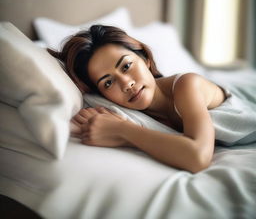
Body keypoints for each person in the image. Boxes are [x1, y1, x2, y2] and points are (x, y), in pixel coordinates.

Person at [47, 25, 231, 173]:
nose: (126, 84)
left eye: (126, 66)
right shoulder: (126, 110)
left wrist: (122, 131)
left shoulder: (187, 84)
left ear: (145, 58)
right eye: (108, 83)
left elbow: (198, 157)